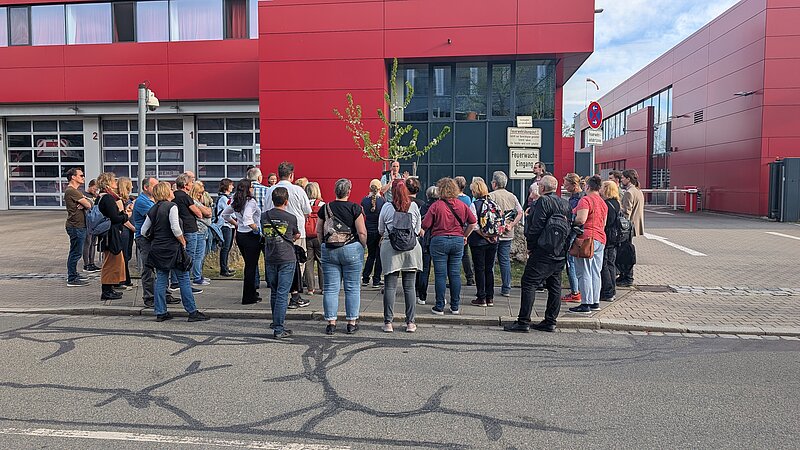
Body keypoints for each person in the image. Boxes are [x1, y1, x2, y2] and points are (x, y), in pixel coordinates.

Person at [504, 175, 571, 332]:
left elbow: (536, 227)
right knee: (555, 286)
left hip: (543, 250)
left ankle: (523, 321)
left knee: (529, 282)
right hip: (560, 250)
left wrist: (531, 246)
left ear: (542, 188)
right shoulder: (564, 203)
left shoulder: (543, 201)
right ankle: (550, 321)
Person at [140, 182, 209, 323]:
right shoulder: (171, 207)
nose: (173, 192)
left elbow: (143, 231)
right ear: (166, 192)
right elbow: (175, 228)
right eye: (170, 190)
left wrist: (155, 238)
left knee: (161, 279)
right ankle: (192, 311)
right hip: (173, 248)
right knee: (183, 278)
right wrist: (182, 241)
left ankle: (161, 312)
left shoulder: (153, 209)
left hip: (158, 248)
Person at [317, 178, 367, 335]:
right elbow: (361, 232)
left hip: (330, 249)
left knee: (331, 288)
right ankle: (351, 322)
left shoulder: (325, 208)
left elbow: (319, 230)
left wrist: (323, 244)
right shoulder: (355, 208)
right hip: (351, 249)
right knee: (352, 287)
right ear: (349, 191)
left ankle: (331, 323)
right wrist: (362, 246)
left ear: (335, 191)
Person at [421, 177, 477, 315]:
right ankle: (455, 306)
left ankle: (439, 306)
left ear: (441, 190)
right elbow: (473, 222)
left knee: (440, 275)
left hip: (439, 240)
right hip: (457, 240)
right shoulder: (462, 204)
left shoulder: (436, 205)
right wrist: (465, 235)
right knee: (455, 274)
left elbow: (425, 225)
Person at [264, 162, 312, 309]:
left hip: (275, 232)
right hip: (296, 233)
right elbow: (307, 210)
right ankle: (295, 295)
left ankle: (281, 294)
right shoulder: (298, 190)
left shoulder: (270, 190)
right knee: (299, 263)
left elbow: (266, 209)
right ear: (291, 175)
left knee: (278, 264)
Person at [378, 180, 422, 333]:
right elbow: (417, 230)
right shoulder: (414, 206)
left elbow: (380, 229)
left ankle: (388, 323)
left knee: (390, 286)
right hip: (411, 248)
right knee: (409, 287)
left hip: (391, 247)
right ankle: (410, 322)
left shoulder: (386, 207)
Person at [261, 187, 300, 339]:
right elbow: (296, 234)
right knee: (283, 293)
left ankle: (275, 321)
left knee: (275, 291)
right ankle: (278, 328)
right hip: (286, 257)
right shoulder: (291, 217)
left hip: (270, 256)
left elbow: (264, 233)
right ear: (286, 201)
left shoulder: (264, 216)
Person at [568, 175, 608, 313]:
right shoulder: (603, 203)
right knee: (595, 272)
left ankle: (585, 304)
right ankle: (595, 302)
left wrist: (572, 222)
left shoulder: (586, 200)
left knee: (583, 271)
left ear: (588, 187)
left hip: (585, 239)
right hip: (600, 238)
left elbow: (581, 219)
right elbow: (604, 223)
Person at [223, 179, 263, 305]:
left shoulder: (236, 201)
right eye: (251, 187)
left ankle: (251, 293)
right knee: (251, 266)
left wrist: (237, 224)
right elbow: (247, 218)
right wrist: (257, 229)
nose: (253, 189)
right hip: (251, 235)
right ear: (248, 189)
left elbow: (225, 214)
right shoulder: (250, 202)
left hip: (241, 234)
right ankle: (248, 296)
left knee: (249, 265)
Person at [488, 171, 524, 297]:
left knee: (490, 261)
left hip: (493, 233)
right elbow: (520, 212)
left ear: (494, 183)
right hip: (508, 233)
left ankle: (489, 286)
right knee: (504, 260)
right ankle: (506, 288)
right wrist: (512, 224)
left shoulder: (491, 196)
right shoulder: (512, 196)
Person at [96, 172, 131, 301]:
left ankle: (110, 288)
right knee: (111, 262)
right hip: (110, 234)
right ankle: (106, 291)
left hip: (108, 233)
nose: (115, 183)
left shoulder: (102, 196)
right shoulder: (108, 198)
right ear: (108, 183)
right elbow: (115, 217)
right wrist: (126, 215)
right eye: (113, 180)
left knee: (114, 261)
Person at [468, 178, 501, 307]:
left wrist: (484, 235)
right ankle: (490, 297)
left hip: (478, 241)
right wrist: (491, 236)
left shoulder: (474, 205)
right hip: (493, 240)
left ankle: (481, 297)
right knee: (489, 269)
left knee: (479, 269)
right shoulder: (493, 203)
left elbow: (474, 224)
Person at [171, 174, 204, 293]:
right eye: (190, 183)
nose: (192, 185)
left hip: (179, 228)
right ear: (185, 185)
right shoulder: (186, 197)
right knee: (189, 257)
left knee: (178, 256)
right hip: (190, 228)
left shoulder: (173, 196)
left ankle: (175, 282)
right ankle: (186, 284)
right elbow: (199, 213)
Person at [132, 176, 160, 308]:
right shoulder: (142, 201)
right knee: (148, 268)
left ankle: (162, 294)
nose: (157, 188)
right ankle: (149, 297)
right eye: (154, 186)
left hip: (154, 238)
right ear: (146, 187)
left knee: (160, 267)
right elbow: (156, 215)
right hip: (144, 239)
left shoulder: (153, 200)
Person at [64, 168, 92, 287]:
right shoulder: (72, 191)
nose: (83, 177)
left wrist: (86, 201)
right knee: (76, 252)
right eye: (81, 175)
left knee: (76, 251)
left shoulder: (77, 191)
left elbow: (90, 202)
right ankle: (72, 278)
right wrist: (85, 201)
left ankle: (74, 274)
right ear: (73, 177)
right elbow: (89, 205)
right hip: (76, 226)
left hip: (79, 225)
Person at [617, 169, 645, 287]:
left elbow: (626, 212)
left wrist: (618, 207)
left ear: (628, 179)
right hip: (635, 225)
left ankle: (627, 276)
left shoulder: (629, 192)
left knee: (626, 252)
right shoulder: (638, 191)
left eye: (623, 178)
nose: (621, 180)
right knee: (627, 251)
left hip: (627, 227)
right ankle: (625, 275)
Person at [561, 173, 584, 303]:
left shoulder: (579, 199)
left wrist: (568, 219)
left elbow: (576, 217)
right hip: (576, 232)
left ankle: (575, 292)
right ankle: (577, 290)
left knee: (571, 262)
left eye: (566, 184)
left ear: (574, 185)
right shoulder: (576, 197)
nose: (564, 186)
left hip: (575, 233)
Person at [247, 167, 270, 289]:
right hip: (265, 227)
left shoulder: (243, 192)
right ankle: (270, 281)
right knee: (268, 256)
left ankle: (255, 282)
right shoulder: (267, 191)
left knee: (252, 258)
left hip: (249, 229)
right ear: (260, 178)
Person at [360, 179, 385, 288]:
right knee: (379, 256)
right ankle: (376, 279)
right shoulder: (383, 201)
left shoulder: (364, 201)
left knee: (370, 255)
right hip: (379, 231)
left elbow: (364, 213)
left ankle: (365, 278)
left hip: (368, 230)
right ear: (380, 188)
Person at [415, 185, 437, 305]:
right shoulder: (440, 206)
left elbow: (421, 223)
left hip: (425, 240)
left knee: (424, 269)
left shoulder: (423, 207)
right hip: (437, 238)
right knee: (440, 270)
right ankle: (440, 297)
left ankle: (421, 295)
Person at [600, 181, 621, 302]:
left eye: (603, 187)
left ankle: (607, 292)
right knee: (611, 264)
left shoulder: (607, 205)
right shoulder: (616, 203)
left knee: (605, 264)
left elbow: (606, 222)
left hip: (607, 237)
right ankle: (612, 291)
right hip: (615, 238)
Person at [189, 180, 213, 286]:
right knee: (198, 255)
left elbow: (208, 211)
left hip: (202, 230)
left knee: (200, 255)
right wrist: (205, 210)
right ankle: (197, 277)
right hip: (199, 231)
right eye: (199, 192)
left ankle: (198, 275)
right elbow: (207, 213)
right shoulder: (193, 202)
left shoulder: (197, 202)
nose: (201, 195)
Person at [454, 176, 475, 287]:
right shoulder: (467, 199)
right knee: (465, 254)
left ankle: (454, 276)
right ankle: (469, 277)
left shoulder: (453, 199)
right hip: (466, 228)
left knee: (455, 255)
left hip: (455, 228)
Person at [304, 182, 325, 295]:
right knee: (322, 262)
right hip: (319, 235)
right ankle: (323, 288)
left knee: (309, 262)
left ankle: (310, 288)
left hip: (307, 236)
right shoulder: (322, 204)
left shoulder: (304, 204)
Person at [116, 177, 137, 290]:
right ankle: (121, 280)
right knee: (123, 255)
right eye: (130, 185)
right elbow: (123, 218)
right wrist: (134, 228)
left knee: (127, 255)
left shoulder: (127, 199)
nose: (132, 187)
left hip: (128, 231)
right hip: (124, 231)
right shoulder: (120, 200)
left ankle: (126, 279)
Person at [216, 179, 235, 277]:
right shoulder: (223, 198)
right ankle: (223, 268)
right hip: (225, 224)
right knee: (225, 247)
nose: (232, 187)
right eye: (231, 185)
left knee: (228, 247)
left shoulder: (228, 197)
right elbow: (226, 212)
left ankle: (226, 266)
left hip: (230, 224)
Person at [82, 178, 101, 273]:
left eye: (97, 189)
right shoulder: (83, 195)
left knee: (93, 242)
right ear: (90, 186)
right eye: (94, 188)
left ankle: (92, 262)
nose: (95, 190)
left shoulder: (96, 196)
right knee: (87, 242)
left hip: (95, 222)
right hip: (87, 221)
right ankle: (86, 264)